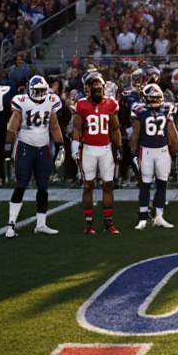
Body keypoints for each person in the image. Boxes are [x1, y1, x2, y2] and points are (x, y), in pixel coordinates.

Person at [5, 75, 64, 238]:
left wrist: (60, 145)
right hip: (25, 144)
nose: (39, 94)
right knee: (22, 184)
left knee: (43, 186)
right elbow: (13, 125)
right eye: (36, 91)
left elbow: (54, 125)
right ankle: (11, 224)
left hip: (43, 146)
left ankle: (41, 223)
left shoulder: (51, 100)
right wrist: (7, 147)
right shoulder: (21, 101)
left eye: (41, 91)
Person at [72, 71, 122, 234]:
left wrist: (119, 146)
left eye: (99, 88)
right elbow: (77, 129)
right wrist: (75, 145)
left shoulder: (110, 104)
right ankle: (88, 224)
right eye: (95, 89)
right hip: (88, 149)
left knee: (108, 185)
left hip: (105, 149)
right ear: (88, 89)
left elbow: (115, 129)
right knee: (88, 186)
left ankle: (108, 223)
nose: (98, 91)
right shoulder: (81, 105)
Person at [129, 83, 178, 229]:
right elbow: (172, 133)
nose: (154, 101)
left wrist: (133, 151)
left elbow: (135, 136)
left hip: (150, 151)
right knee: (154, 184)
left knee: (153, 184)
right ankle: (149, 216)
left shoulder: (140, 111)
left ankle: (153, 216)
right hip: (155, 151)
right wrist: (177, 149)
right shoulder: (162, 110)